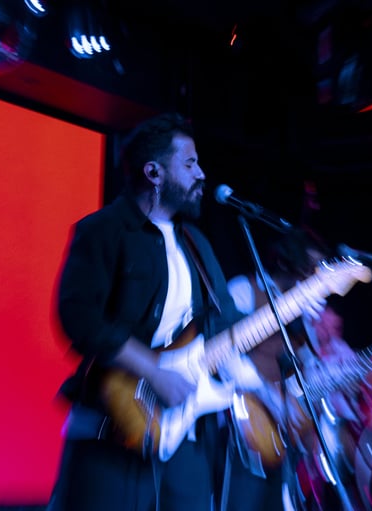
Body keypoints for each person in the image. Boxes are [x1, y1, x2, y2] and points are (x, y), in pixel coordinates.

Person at [45, 112, 243, 511]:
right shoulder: (103, 230)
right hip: (111, 425)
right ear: (154, 172)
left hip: (184, 437)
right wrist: (154, 372)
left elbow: (225, 323)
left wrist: (294, 310)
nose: (201, 174)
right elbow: (79, 318)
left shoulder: (197, 244)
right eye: (189, 163)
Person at [219, 227, 345, 511]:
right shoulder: (244, 289)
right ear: (287, 263)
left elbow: (304, 369)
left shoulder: (305, 311)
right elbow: (224, 357)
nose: (315, 278)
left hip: (282, 432)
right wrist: (266, 394)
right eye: (309, 269)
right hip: (242, 419)